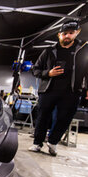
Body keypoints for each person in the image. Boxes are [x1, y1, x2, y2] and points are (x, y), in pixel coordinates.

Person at [29, 20, 88, 156]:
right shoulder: (49, 51)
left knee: (64, 118)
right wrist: (48, 73)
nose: (67, 36)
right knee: (42, 117)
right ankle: (37, 143)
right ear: (59, 35)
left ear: (77, 33)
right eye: (64, 34)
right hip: (48, 90)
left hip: (72, 92)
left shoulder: (83, 50)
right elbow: (35, 69)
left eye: (71, 33)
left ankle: (53, 142)